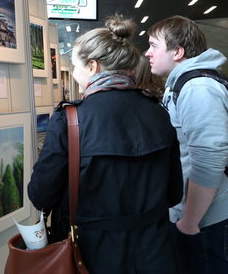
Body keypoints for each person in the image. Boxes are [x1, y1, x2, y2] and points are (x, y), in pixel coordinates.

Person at [28, 15, 183, 273]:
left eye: (75, 66)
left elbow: (40, 194)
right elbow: (173, 193)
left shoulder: (71, 119)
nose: (75, 74)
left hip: (90, 254)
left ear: (91, 66)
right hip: (154, 251)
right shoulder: (157, 112)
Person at [145, 15, 228, 274]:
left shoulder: (197, 88)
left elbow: (210, 158)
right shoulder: (182, 85)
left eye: (153, 45)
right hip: (198, 215)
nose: (147, 53)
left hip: (208, 220)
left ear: (178, 52)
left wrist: (189, 222)